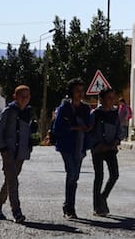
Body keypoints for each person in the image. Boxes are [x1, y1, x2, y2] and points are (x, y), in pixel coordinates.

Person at [0, 85, 34, 224]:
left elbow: (27, 132)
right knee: (13, 182)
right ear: (15, 96)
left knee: (9, 181)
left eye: (27, 96)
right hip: (8, 151)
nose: (24, 99)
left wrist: (29, 146)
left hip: (21, 152)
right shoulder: (8, 111)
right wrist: (2, 148)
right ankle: (17, 211)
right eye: (22, 96)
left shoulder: (27, 112)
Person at [52, 78, 93, 219]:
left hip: (80, 146)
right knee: (71, 174)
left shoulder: (85, 108)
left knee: (75, 177)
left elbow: (89, 126)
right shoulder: (64, 108)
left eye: (82, 91)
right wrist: (74, 127)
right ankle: (69, 207)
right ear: (71, 92)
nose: (80, 94)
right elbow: (57, 128)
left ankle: (69, 205)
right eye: (77, 91)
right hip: (67, 146)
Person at [89, 88, 122, 217]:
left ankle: (103, 197)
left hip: (111, 148)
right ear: (101, 99)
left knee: (114, 175)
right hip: (98, 148)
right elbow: (90, 131)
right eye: (109, 98)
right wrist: (96, 145)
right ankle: (97, 206)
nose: (111, 101)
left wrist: (117, 140)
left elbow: (119, 128)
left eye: (113, 98)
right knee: (99, 176)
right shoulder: (95, 113)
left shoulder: (115, 113)